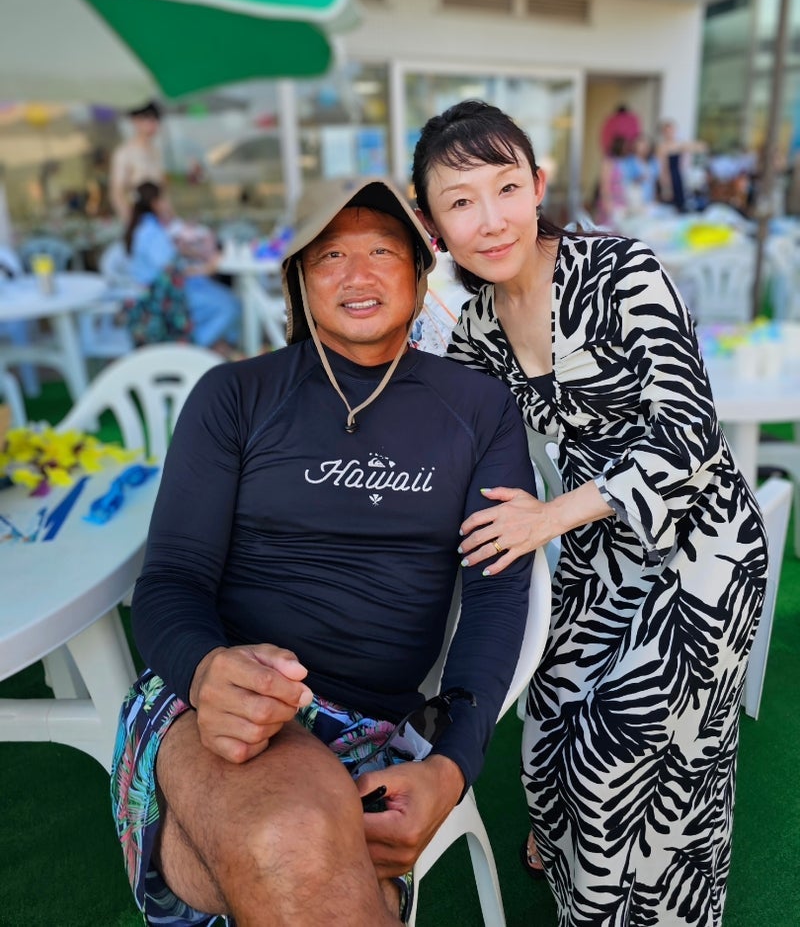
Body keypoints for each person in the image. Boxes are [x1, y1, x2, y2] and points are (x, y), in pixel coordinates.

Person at [110, 176, 538, 926]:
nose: (357, 273)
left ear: (419, 273)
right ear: (299, 282)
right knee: (292, 841)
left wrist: (452, 765)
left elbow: (496, 595)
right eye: (330, 254)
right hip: (217, 696)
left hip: (375, 726)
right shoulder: (233, 396)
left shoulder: (479, 410)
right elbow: (172, 577)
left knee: (288, 862)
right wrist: (208, 671)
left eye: (382, 250)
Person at [411, 100, 769, 927]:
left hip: (703, 545)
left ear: (538, 187)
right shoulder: (476, 330)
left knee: (620, 750)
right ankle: (576, 866)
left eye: (507, 187)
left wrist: (545, 518)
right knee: (547, 735)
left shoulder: (622, 271)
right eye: (460, 201)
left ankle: (646, 909)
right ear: (434, 225)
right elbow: (445, 434)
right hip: (600, 554)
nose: (491, 219)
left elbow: (690, 436)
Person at [124, 180, 241, 354]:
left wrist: (195, 256)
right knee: (229, 306)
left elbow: (172, 257)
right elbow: (171, 269)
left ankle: (214, 346)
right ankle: (194, 351)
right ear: (155, 203)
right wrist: (208, 267)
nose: (168, 203)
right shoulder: (150, 231)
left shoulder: (150, 226)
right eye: (165, 199)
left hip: (165, 293)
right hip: (161, 299)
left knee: (226, 301)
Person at [110, 100, 166, 222]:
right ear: (136, 120)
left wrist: (169, 219)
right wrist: (132, 222)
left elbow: (162, 193)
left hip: (157, 220)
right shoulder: (125, 153)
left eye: (156, 119)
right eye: (149, 119)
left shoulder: (156, 152)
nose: (154, 124)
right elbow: (117, 194)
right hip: (137, 218)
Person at [656, 118, 707, 212]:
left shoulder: (679, 144)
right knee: (669, 202)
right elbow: (662, 166)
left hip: (678, 175)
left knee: (681, 201)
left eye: (671, 130)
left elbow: (700, 147)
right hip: (669, 176)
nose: (670, 133)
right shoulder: (662, 147)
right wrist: (664, 181)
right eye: (667, 131)